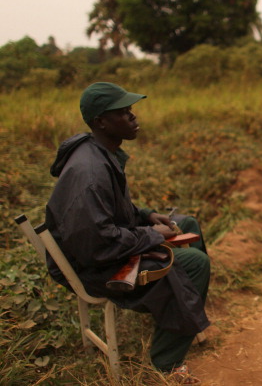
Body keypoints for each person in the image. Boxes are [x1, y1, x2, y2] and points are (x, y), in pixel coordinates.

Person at [45, 82, 209, 384]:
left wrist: (146, 216)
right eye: (123, 112)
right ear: (100, 122)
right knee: (196, 263)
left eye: (131, 110)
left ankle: (186, 311)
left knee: (188, 224)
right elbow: (97, 244)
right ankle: (167, 362)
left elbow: (114, 210)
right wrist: (152, 236)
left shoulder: (101, 151)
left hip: (105, 243)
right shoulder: (89, 172)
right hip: (93, 266)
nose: (133, 117)